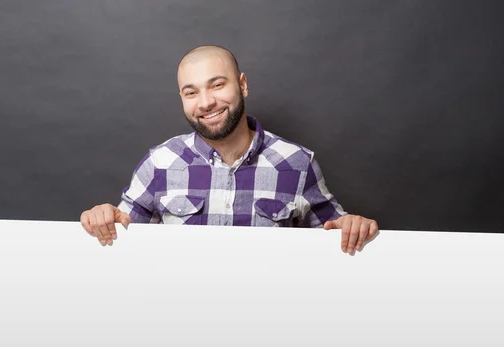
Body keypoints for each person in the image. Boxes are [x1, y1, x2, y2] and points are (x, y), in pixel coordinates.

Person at [80, 45, 378, 254]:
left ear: (243, 85)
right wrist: (103, 218)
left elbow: (337, 234)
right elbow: (120, 236)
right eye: (191, 92)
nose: (206, 102)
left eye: (218, 85)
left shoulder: (297, 163)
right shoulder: (159, 163)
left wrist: (352, 226)